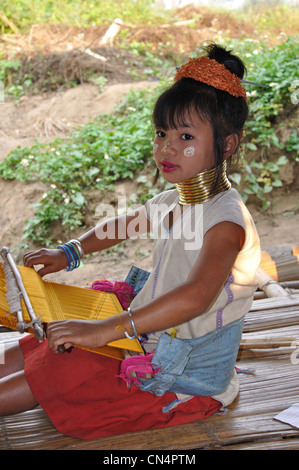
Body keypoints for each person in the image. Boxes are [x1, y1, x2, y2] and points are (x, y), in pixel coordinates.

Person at [0, 43, 261, 440]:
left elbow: (197, 296)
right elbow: (126, 223)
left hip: (181, 373)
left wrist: (106, 330)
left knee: (64, 361)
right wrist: (70, 252)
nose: (166, 147)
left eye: (185, 135)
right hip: (150, 334)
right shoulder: (181, 197)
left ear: (227, 145)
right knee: (46, 338)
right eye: (161, 133)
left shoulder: (227, 222)